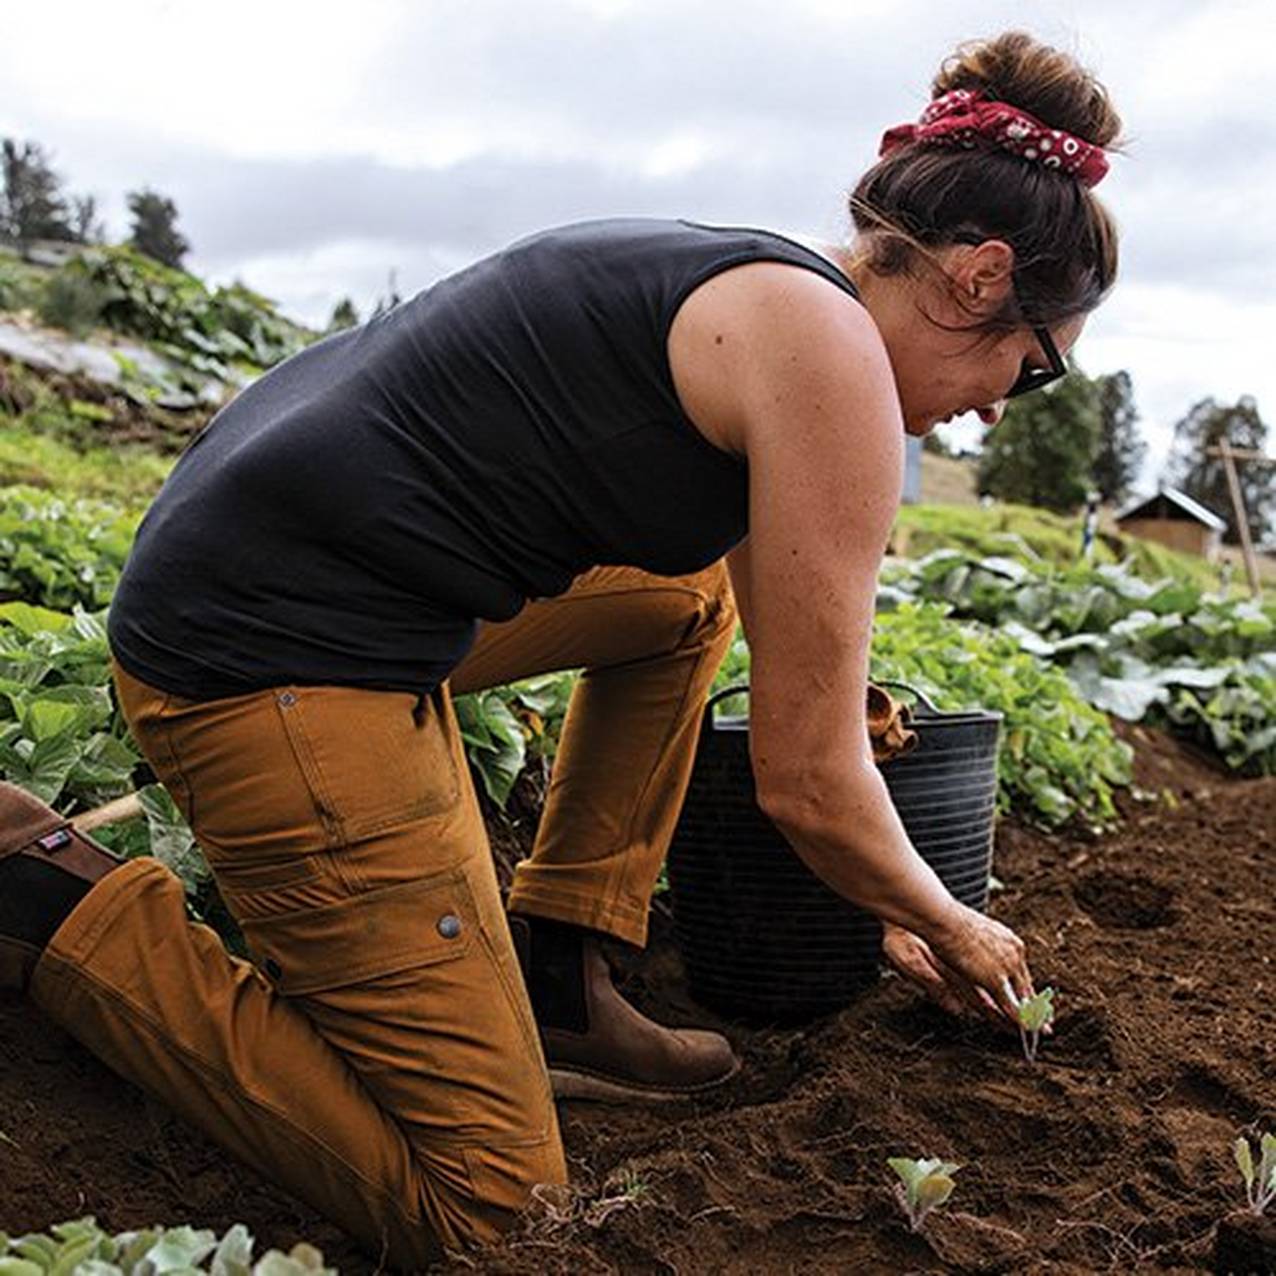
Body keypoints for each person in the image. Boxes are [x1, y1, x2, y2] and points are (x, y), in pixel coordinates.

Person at [0, 29, 1121, 1269]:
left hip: (274, 580)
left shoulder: (769, 295)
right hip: (272, 658)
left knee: (688, 603)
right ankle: (48, 899)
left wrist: (861, 780)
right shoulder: (830, 362)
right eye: (1032, 367)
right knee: (493, 1209)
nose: (996, 401)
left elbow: (772, 618)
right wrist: (943, 916)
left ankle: (559, 970)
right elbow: (802, 782)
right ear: (979, 275)